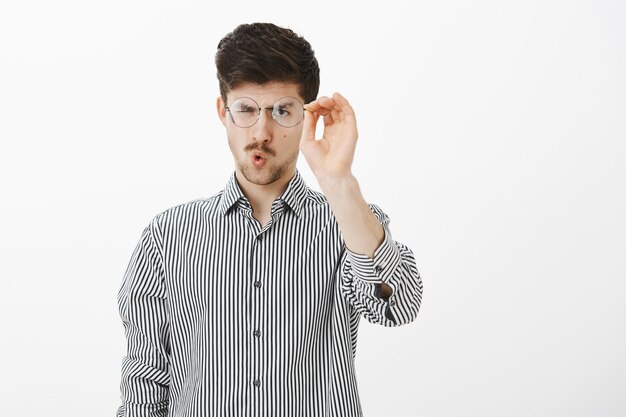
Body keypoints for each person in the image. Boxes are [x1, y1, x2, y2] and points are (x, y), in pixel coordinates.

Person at [116, 22, 423, 417]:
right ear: (222, 112)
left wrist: (339, 183)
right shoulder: (167, 236)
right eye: (246, 109)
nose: (261, 131)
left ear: (307, 116)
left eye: (282, 111)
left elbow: (399, 306)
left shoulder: (348, 222)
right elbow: (145, 378)